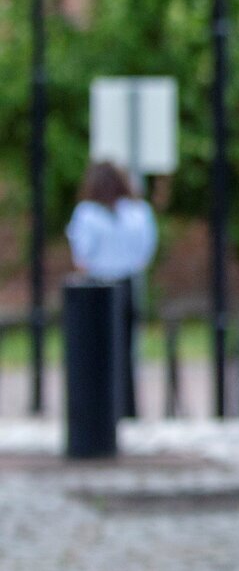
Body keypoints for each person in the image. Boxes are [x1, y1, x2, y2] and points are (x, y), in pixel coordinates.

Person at [66, 160, 158, 418]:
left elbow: (82, 255)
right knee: (125, 350)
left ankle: (98, 410)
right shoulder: (139, 212)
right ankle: (126, 408)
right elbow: (145, 252)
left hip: (95, 289)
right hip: (127, 285)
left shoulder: (87, 214)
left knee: (94, 352)